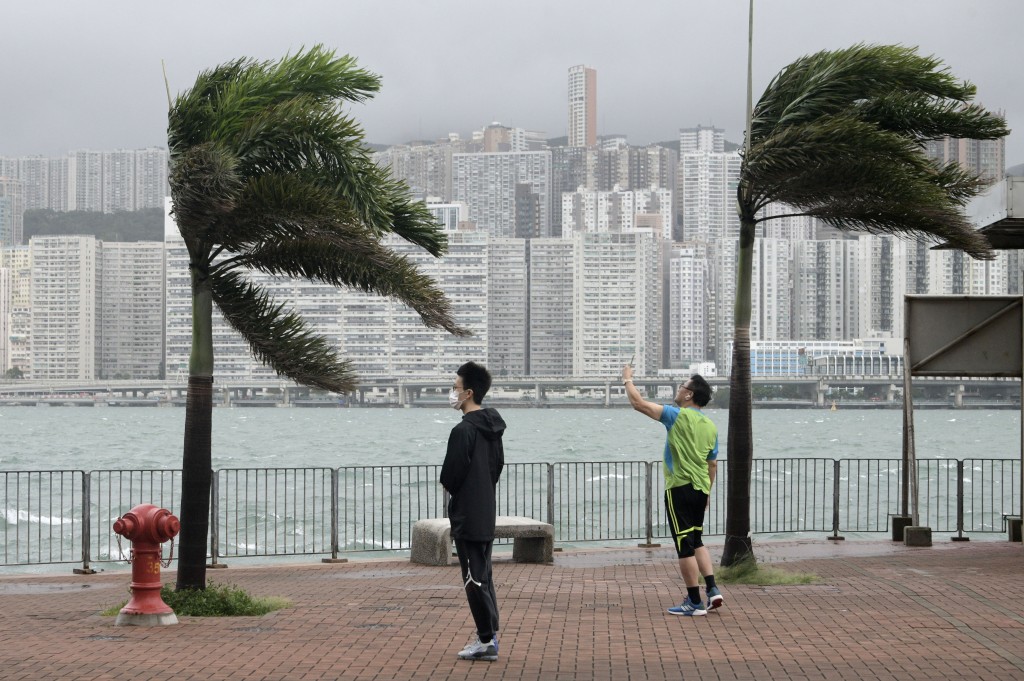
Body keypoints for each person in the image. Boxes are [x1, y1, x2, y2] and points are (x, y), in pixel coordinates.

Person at [622, 365, 722, 616]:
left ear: (689, 395)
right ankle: (712, 589)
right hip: (700, 488)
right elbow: (712, 464)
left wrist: (627, 379)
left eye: (682, 387)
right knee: (697, 539)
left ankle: (694, 601)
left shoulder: (676, 415)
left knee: (684, 545)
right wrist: (708, 492)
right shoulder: (711, 426)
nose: (678, 391)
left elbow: (638, 403)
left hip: (679, 487)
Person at [440, 361, 506, 661]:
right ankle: (490, 635)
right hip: (486, 507)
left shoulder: (463, 430)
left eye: (455, 388)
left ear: (467, 393)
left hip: (467, 512)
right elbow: (497, 467)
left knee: (473, 578)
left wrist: (460, 492)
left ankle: (485, 640)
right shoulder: (493, 428)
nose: (452, 393)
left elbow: (450, 475)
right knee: (485, 575)